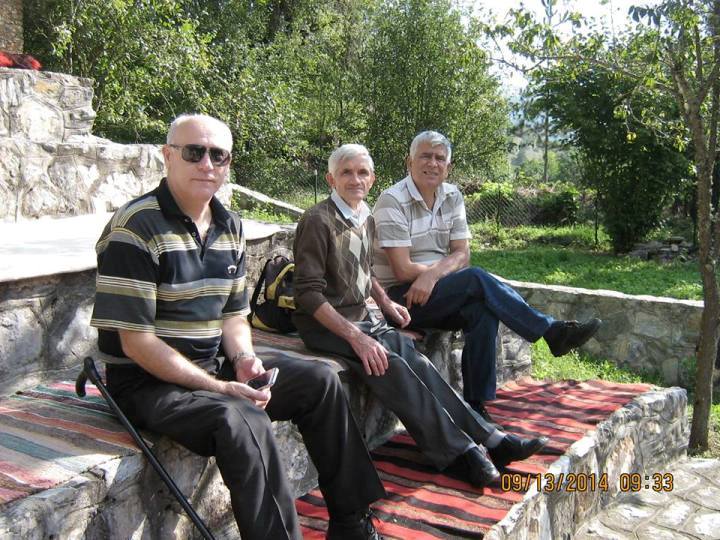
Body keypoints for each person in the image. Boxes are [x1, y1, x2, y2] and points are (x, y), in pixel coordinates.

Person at [90, 115, 386, 540]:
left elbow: (233, 315)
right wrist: (220, 388)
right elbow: (136, 344)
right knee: (243, 418)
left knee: (320, 381)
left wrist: (244, 359)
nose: (206, 164)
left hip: (212, 362)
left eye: (219, 155)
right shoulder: (135, 229)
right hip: (146, 382)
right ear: (168, 155)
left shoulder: (229, 225)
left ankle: (351, 523)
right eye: (194, 152)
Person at [292, 143, 548, 492]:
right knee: (392, 365)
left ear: (372, 179)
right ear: (330, 179)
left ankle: (491, 439)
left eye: (363, 172)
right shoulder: (317, 220)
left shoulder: (365, 216)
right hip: (326, 326)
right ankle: (459, 453)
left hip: (362, 318)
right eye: (346, 172)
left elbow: (365, 271)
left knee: (419, 362)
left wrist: (385, 303)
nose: (355, 179)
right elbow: (307, 294)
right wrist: (357, 338)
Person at [372, 130, 602, 424]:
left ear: (448, 167)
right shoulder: (392, 200)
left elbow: (463, 254)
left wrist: (432, 275)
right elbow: (403, 269)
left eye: (439, 158)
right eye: (425, 156)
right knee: (475, 279)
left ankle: (476, 406)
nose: (432, 163)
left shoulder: (452, 196)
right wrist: (436, 274)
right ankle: (551, 332)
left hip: (434, 291)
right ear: (409, 162)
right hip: (397, 301)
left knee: (481, 310)